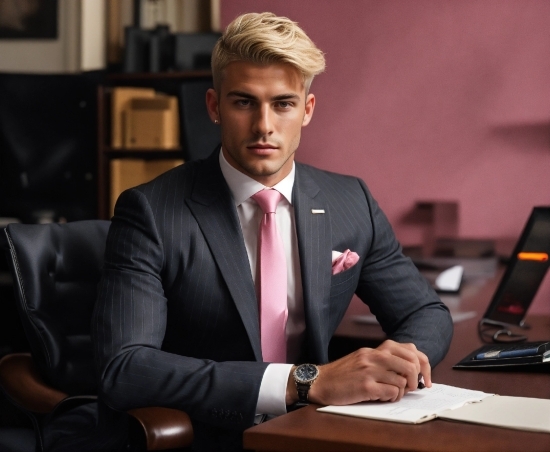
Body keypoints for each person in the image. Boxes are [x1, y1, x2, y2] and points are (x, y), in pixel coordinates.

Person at [93, 12, 453, 451]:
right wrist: (306, 382)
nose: (264, 125)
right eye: (244, 102)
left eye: (283, 103)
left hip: (321, 432)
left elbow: (427, 314)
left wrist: (397, 364)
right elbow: (126, 367)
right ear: (213, 106)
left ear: (307, 110)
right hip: (206, 435)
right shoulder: (150, 211)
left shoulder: (350, 200)